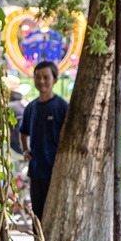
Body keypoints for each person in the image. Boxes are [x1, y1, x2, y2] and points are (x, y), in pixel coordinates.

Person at [20, 60, 69, 219]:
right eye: (38, 77)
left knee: (54, 214)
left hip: (55, 171)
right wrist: (25, 150)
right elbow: (23, 131)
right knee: (37, 214)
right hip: (36, 171)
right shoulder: (31, 107)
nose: (41, 81)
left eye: (46, 77)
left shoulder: (61, 106)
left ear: (54, 79)